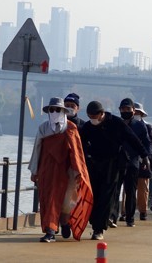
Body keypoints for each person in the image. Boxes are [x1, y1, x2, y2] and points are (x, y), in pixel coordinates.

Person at [80, 101, 150, 240]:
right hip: (94, 165)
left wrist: (144, 155)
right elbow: (80, 145)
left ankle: (99, 229)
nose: (92, 119)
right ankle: (95, 222)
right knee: (95, 195)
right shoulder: (87, 127)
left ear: (102, 113)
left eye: (95, 116)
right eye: (89, 116)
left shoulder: (116, 123)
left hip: (113, 164)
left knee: (107, 196)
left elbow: (132, 139)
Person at [28, 97, 93, 242]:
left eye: (58, 109)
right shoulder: (43, 128)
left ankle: (64, 223)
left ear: (63, 111)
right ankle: (50, 230)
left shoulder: (70, 128)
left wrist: (78, 172)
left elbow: (77, 152)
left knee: (66, 202)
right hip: (47, 170)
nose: (55, 112)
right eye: (52, 109)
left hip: (66, 172)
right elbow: (37, 149)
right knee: (48, 199)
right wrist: (34, 170)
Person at [111, 98, 151, 227]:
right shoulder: (116, 124)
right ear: (120, 110)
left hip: (133, 161)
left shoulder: (140, 125)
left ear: (134, 110)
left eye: (128, 109)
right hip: (118, 161)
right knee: (115, 190)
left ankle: (130, 218)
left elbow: (146, 143)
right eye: (123, 109)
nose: (125, 111)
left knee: (131, 191)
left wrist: (146, 158)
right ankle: (113, 216)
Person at [134, 102, 152, 220]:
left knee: (143, 187)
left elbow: (150, 144)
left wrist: (146, 158)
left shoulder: (148, 127)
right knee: (128, 188)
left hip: (143, 160)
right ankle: (125, 212)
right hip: (130, 159)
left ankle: (143, 211)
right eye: (134, 112)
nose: (136, 114)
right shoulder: (127, 125)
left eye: (138, 112)